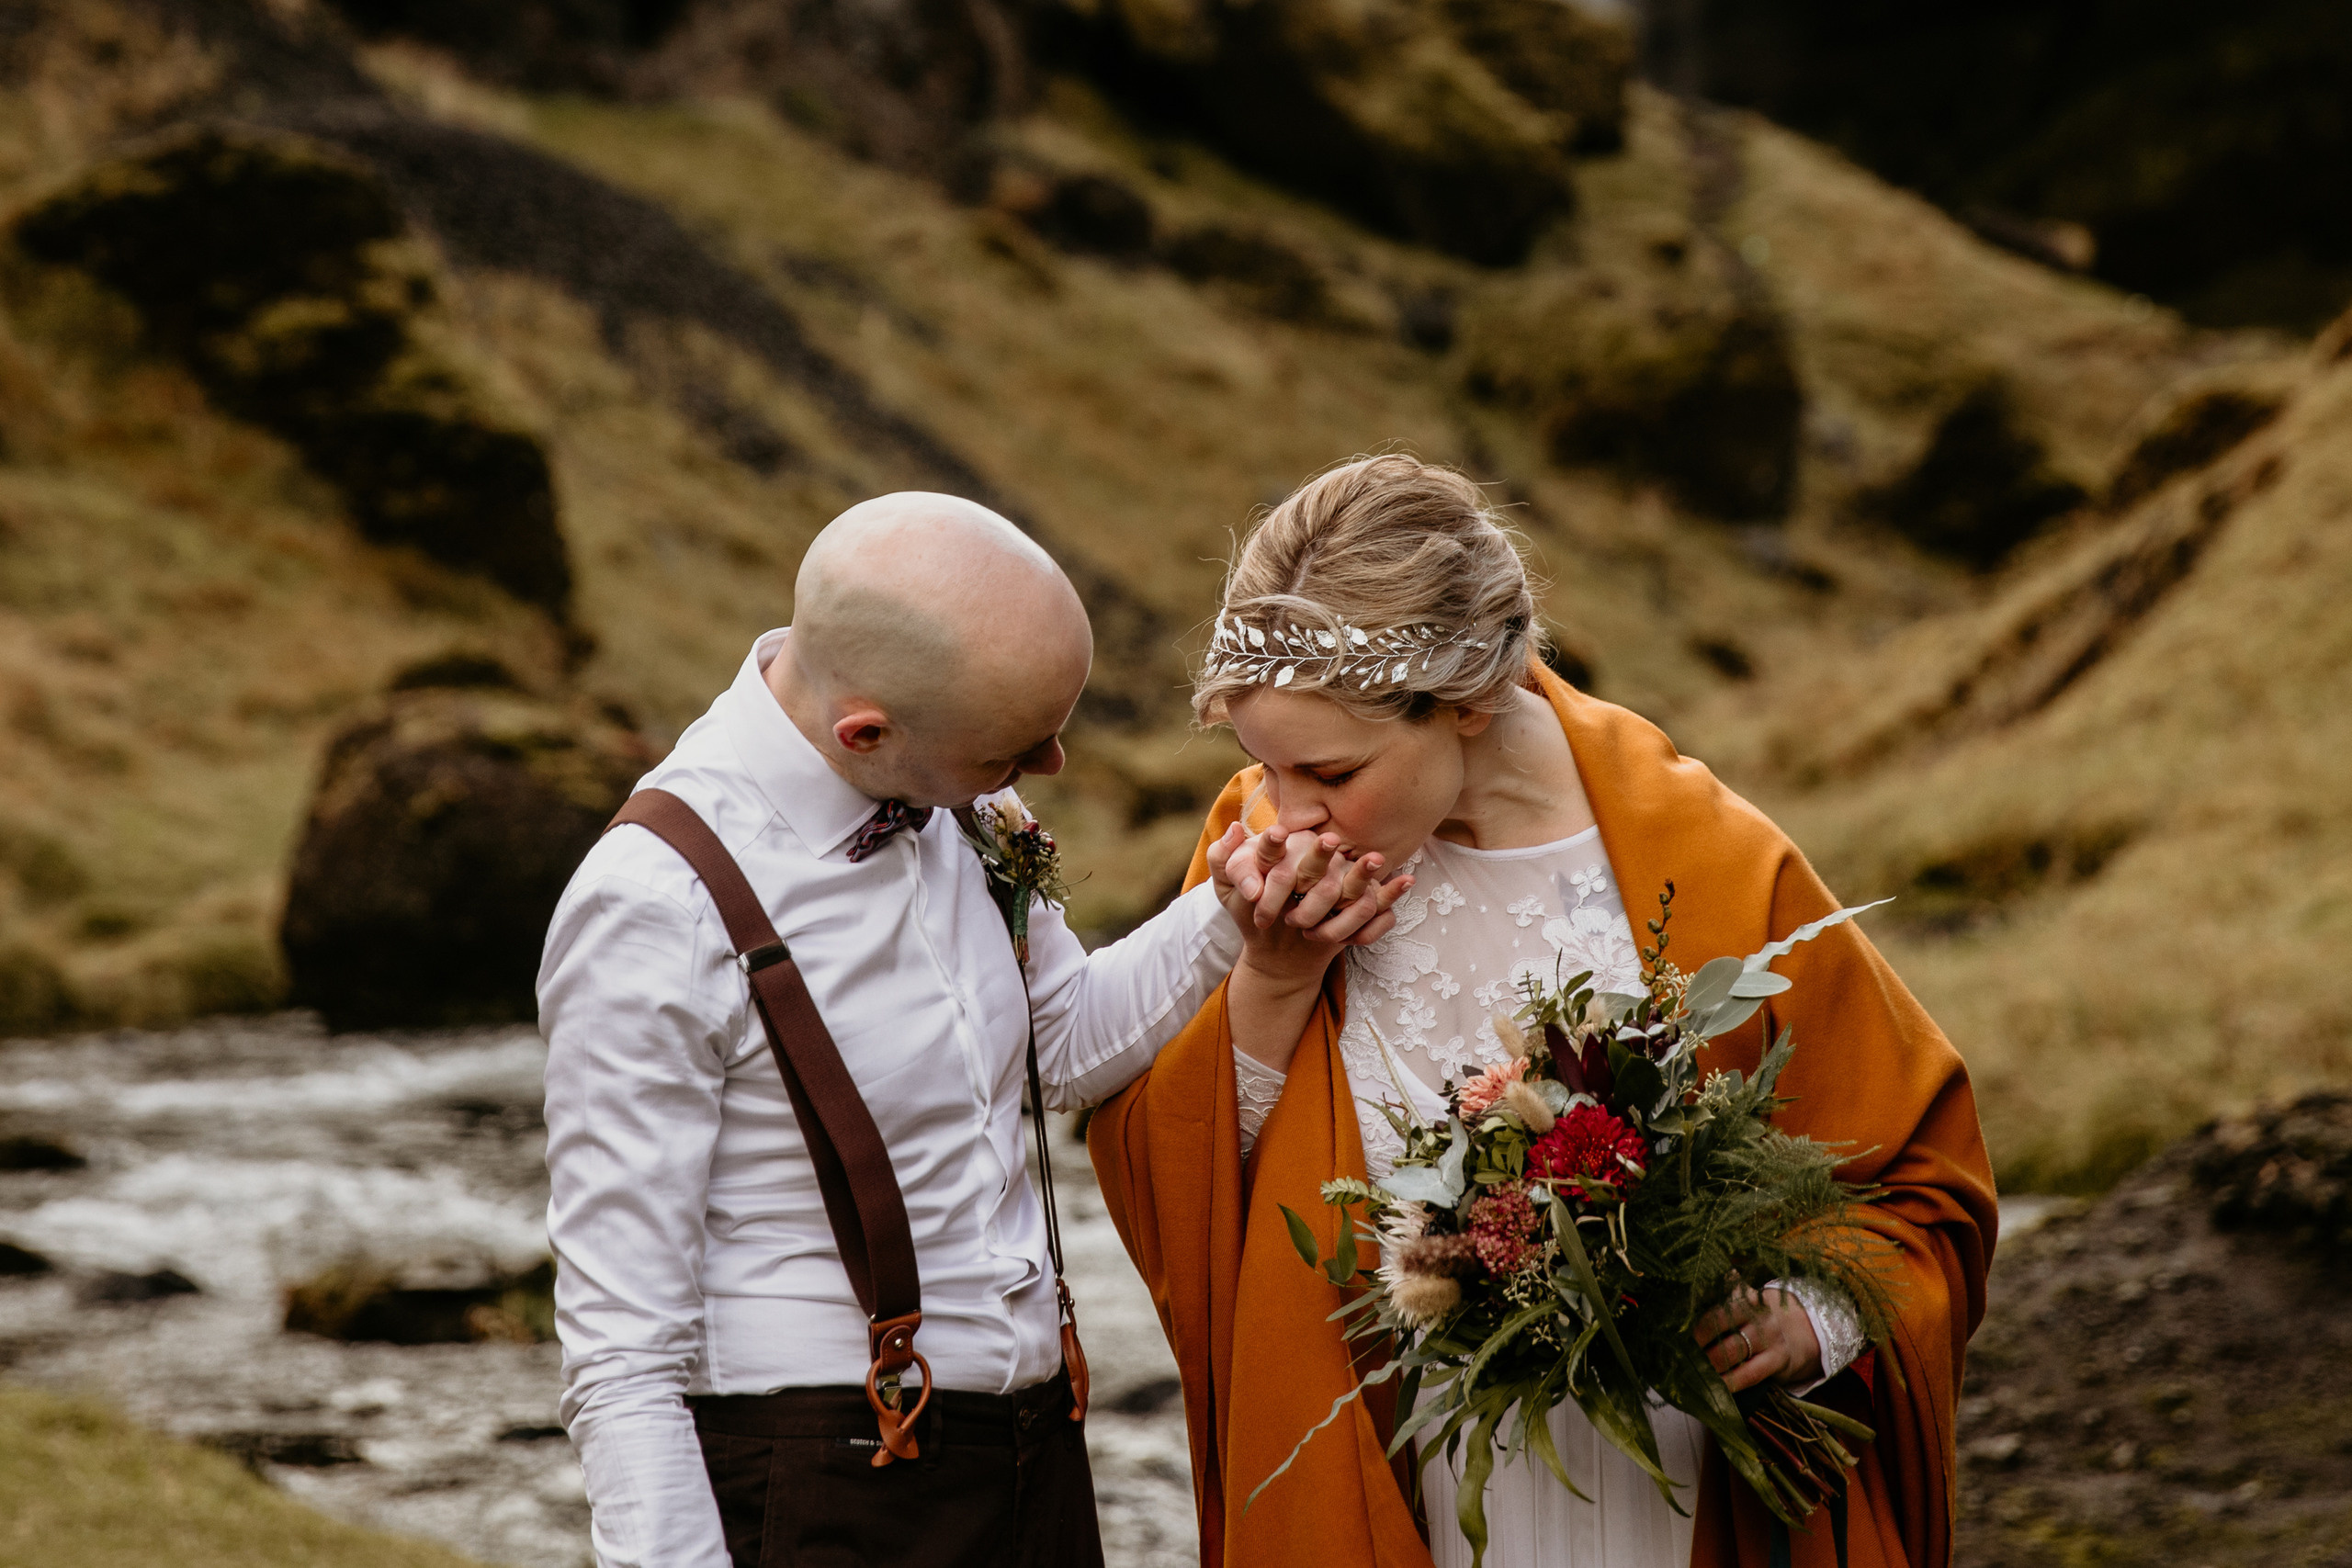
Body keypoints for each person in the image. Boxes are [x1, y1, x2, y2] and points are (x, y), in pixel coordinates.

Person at [1088, 456, 1999, 1568]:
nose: (1285, 815)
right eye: (1260, 765)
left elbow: (1920, 1192)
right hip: (1388, 1482)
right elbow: (1174, 1183)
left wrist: (1806, 1318)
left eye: (1327, 771)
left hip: (1668, 1485)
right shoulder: (1266, 861)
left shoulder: (1715, 865)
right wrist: (1273, 979)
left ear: (1468, 701)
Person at [537, 490, 1407, 1568]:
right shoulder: (652, 906)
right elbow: (620, 1352)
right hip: (817, 1484)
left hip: (1035, 1460)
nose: (1048, 769)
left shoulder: (964, 804)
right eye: (1013, 750)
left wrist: (1231, 913)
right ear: (867, 731)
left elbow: (1066, 1046)